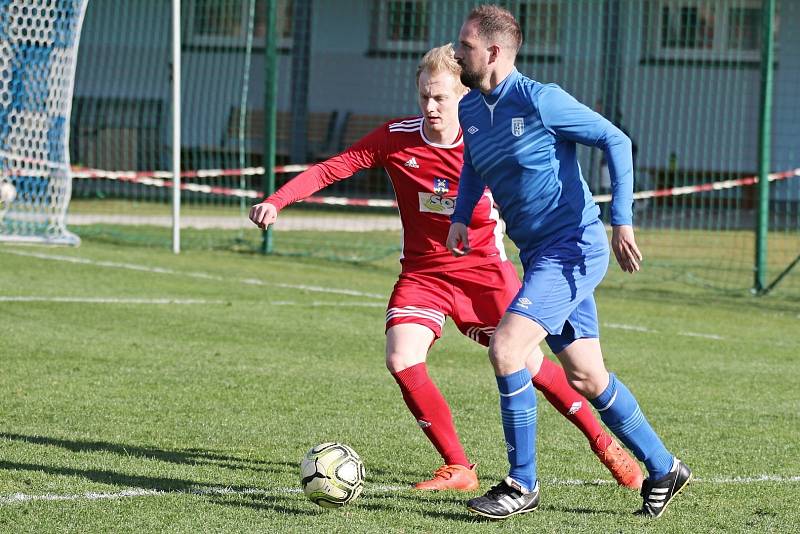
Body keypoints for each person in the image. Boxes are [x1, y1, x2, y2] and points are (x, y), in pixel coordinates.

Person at [250, 44, 642, 493]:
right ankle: (459, 466)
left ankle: (603, 443)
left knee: (534, 365)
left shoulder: (488, 141)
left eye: (441, 98)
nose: (431, 107)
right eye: (424, 97)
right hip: (423, 275)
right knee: (401, 358)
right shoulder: (396, 138)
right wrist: (276, 200)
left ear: (464, 95)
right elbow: (332, 169)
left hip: (485, 276)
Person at [448, 5, 690, 519]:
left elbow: (615, 139)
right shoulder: (471, 109)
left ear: (493, 52)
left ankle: (521, 484)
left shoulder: (541, 100)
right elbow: (473, 162)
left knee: (508, 349)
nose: (455, 51)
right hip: (537, 252)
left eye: (464, 45)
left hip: (574, 246)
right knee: (585, 377)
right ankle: (665, 465)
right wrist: (461, 216)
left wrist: (622, 218)